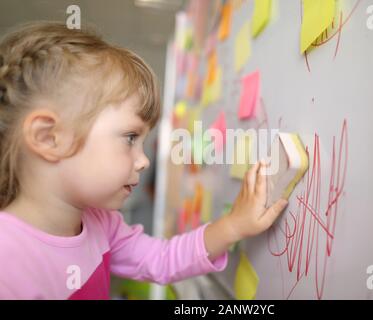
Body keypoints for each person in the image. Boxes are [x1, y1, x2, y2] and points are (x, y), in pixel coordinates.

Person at [0, 22, 288, 299]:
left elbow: (161, 260)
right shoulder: (8, 259)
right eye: (129, 138)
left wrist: (234, 226)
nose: (144, 161)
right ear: (48, 137)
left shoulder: (102, 224)